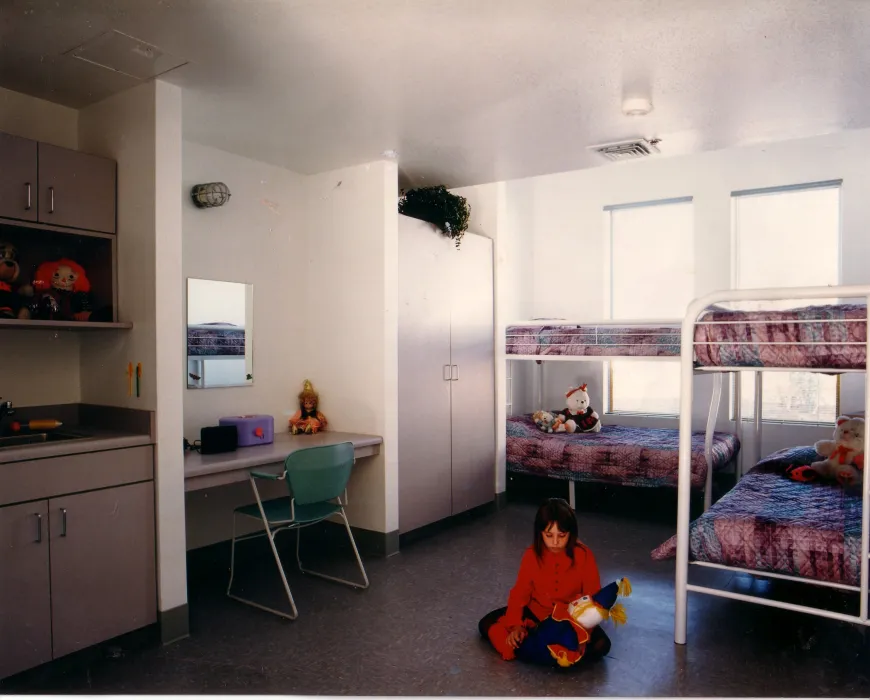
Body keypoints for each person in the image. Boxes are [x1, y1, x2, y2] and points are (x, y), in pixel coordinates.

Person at [478, 497, 611, 663]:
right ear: (540, 533)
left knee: (602, 645)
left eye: (561, 535)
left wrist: (582, 634)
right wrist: (516, 626)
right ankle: (555, 652)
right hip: (536, 613)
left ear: (571, 533)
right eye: (549, 535)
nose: (555, 542)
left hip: (571, 619)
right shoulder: (532, 554)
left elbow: (592, 600)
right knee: (486, 623)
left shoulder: (584, 555)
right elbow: (519, 593)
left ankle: (543, 649)